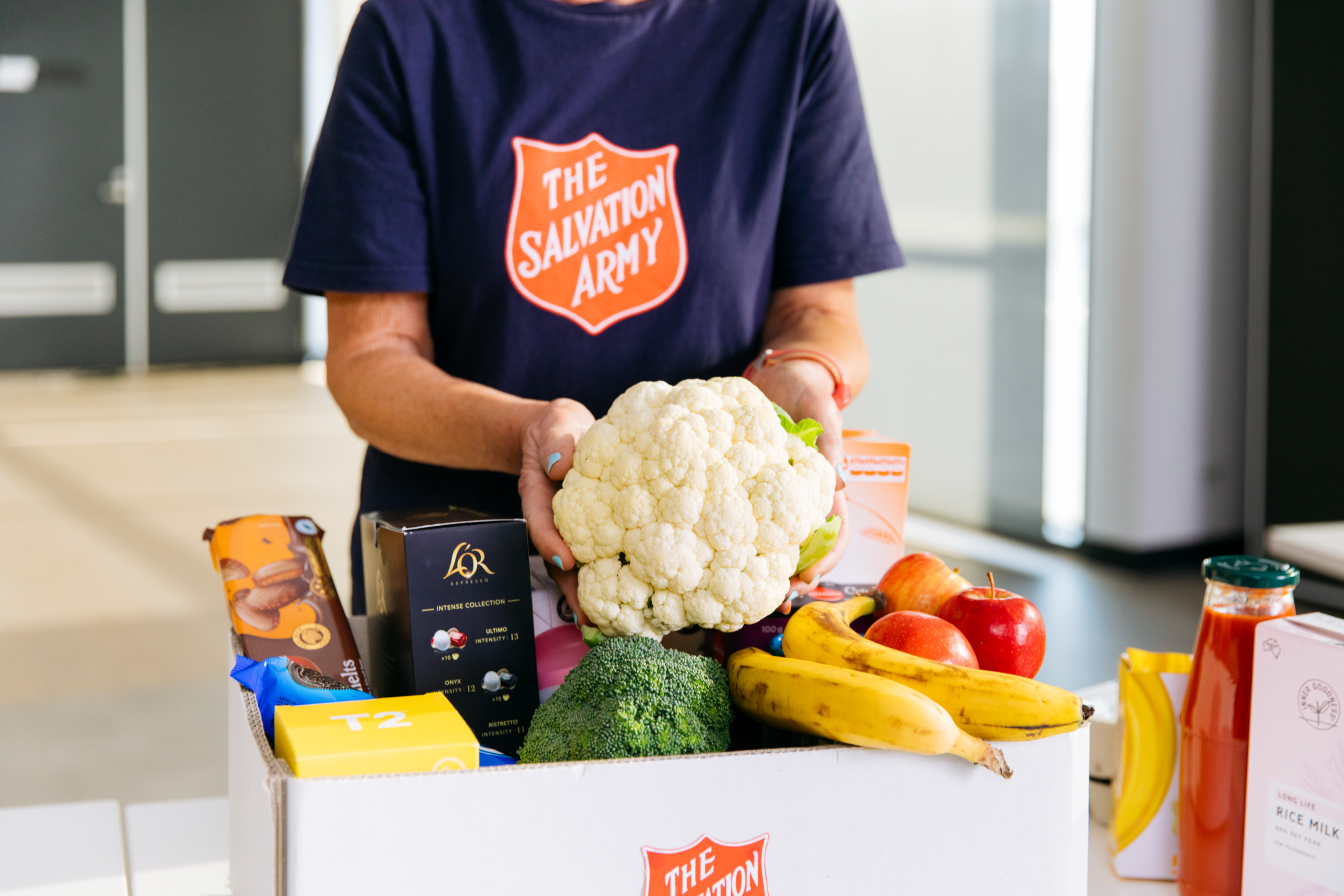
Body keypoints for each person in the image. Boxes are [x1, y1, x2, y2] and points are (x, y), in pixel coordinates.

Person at [282, 0, 903, 620]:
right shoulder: (412, 25)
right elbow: (369, 359)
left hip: (710, 590)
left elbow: (821, 312)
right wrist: (525, 433)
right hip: (454, 579)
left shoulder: (789, 22)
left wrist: (801, 371)